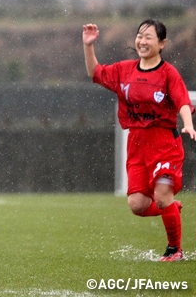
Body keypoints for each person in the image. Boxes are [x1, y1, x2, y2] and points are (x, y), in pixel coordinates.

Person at [82, 19, 196, 261]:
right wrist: (89, 46)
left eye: (149, 37)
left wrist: (187, 123)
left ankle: (175, 250)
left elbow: (183, 101)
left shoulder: (168, 73)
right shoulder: (125, 70)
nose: (142, 41)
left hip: (165, 143)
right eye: (140, 36)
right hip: (137, 144)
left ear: (162, 43)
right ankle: (171, 209)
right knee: (137, 205)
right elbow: (96, 73)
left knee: (163, 194)